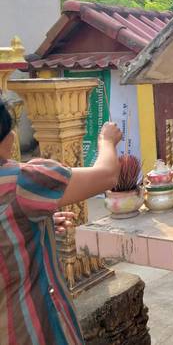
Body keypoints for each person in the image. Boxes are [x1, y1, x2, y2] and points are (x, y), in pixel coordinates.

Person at [0, 98, 122, 345]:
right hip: (32, 328)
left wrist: (32, 224)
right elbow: (107, 175)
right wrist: (106, 140)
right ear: (8, 138)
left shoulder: (21, 197)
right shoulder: (22, 182)